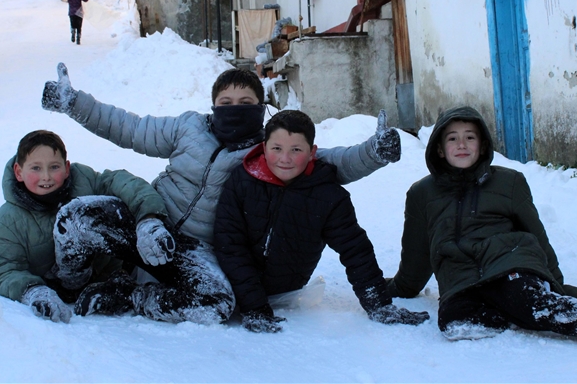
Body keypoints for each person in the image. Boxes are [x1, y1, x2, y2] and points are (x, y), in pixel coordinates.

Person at [39, 65, 402, 325]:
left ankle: (133, 296)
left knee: (217, 304)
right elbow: (130, 127)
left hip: (195, 251)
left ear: (260, 108)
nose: (234, 108)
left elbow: (330, 162)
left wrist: (375, 151)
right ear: (213, 106)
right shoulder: (188, 127)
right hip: (148, 222)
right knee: (76, 215)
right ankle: (72, 284)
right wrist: (73, 103)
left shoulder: (270, 151)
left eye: (245, 101)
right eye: (225, 102)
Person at [387, 106, 577, 354]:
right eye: (452, 138)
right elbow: (417, 251)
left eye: (470, 137)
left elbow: (537, 235)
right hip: (461, 279)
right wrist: (393, 289)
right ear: (439, 148)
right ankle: (514, 308)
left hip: (510, 262)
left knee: (529, 302)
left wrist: (556, 284)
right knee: (454, 322)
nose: (461, 144)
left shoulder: (509, 182)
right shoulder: (421, 194)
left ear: (482, 144)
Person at [214, 110, 430, 333]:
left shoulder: (327, 195)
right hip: (233, 283)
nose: (285, 158)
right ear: (264, 148)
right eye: (276, 149)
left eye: (296, 150)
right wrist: (254, 305)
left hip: (284, 288)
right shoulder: (242, 181)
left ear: (311, 153)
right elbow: (229, 245)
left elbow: (355, 250)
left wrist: (379, 304)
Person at [0, 130, 171, 324]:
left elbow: (121, 182)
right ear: (18, 172)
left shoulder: (85, 181)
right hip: (59, 285)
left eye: (54, 167)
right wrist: (33, 291)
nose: (46, 176)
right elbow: (4, 270)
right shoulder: (8, 220)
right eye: (36, 168)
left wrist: (149, 217)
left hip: (110, 271)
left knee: (103, 208)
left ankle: (141, 282)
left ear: (66, 168)